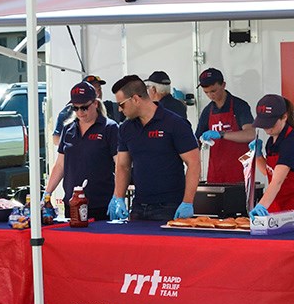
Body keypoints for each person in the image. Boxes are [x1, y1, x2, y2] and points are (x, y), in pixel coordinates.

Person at [108, 75, 201, 221]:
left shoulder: (175, 123)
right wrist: (118, 197)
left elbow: (193, 163)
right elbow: (122, 166)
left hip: (169, 206)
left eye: (122, 104)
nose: (119, 110)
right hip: (139, 205)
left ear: (136, 99)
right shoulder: (126, 128)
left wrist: (187, 201)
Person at [44, 81, 118, 220]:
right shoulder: (68, 129)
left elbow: (120, 164)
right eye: (75, 108)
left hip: (100, 203)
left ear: (95, 104)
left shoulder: (110, 128)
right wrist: (47, 193)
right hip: (72, 203)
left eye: (84, 108)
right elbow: (60, 165)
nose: (80, 112)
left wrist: (118, 196)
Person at [247, 94, 294, 227]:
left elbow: (277, 180)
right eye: (263, 124)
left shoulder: (291, 142)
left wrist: (261, 205)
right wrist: (258, 155)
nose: (267, 129)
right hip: (277, 203)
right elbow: (268, 172)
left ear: (284, 117)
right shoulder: (271, 140)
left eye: (270, 124)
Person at [195, 68, 255, 183]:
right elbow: (196, 141)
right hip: (216, 173)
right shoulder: (207, 111)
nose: (210, 95)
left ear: (223, 85)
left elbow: (250, 134)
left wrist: (221, 134)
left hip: (239, 172)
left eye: (213, 91)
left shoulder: (240, 106)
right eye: (206, 92)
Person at [53, 74, 121, 146]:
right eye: (94, 90)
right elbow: (56, 138)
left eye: (99, 89)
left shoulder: (110, 108)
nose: (98, 93)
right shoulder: (67, 112)